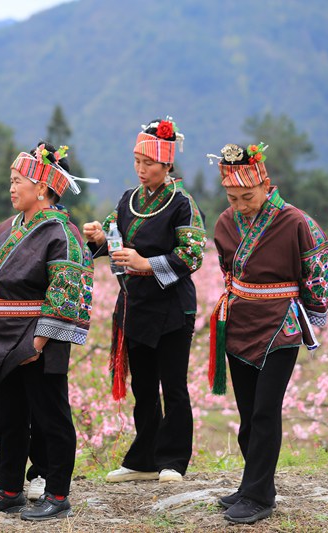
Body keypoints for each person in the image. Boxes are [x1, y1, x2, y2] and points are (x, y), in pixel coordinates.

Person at [0, 142, 95, 521]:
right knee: (8, 416)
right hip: (1, 332)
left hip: (40, 336)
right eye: (11, 180)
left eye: (18, 180)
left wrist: (40, 339)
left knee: (49, 416)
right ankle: (8, 489)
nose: (11, 187)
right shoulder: (6, 229)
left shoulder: (63, 233)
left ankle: (57, 493)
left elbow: (67, 288)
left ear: (41, 187)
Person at [207, 142, 328, 524]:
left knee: (265, 411)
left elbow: (317, 273)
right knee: (247, 413)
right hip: (239, 320)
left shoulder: (297, 223)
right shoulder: (226, 222)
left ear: (266, 185)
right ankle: (255, 484)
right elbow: (228, 269)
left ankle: (259, 496)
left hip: (281, 324)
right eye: (232, 197)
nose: (240, 204)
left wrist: (315, 314)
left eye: (247, 196)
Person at [83, 117, 205, 484]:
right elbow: (110, 240)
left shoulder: (182, 203)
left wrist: (146, 264)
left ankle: (174, 460)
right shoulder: (128, 200)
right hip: (135, 306)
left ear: (167, 165)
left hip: (172, 308)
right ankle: (145, 459)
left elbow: (194, 253)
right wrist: (96, 237)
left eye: (148, 164)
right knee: (144, 387)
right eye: (137, 161)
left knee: (174, 386)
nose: (140, 169)